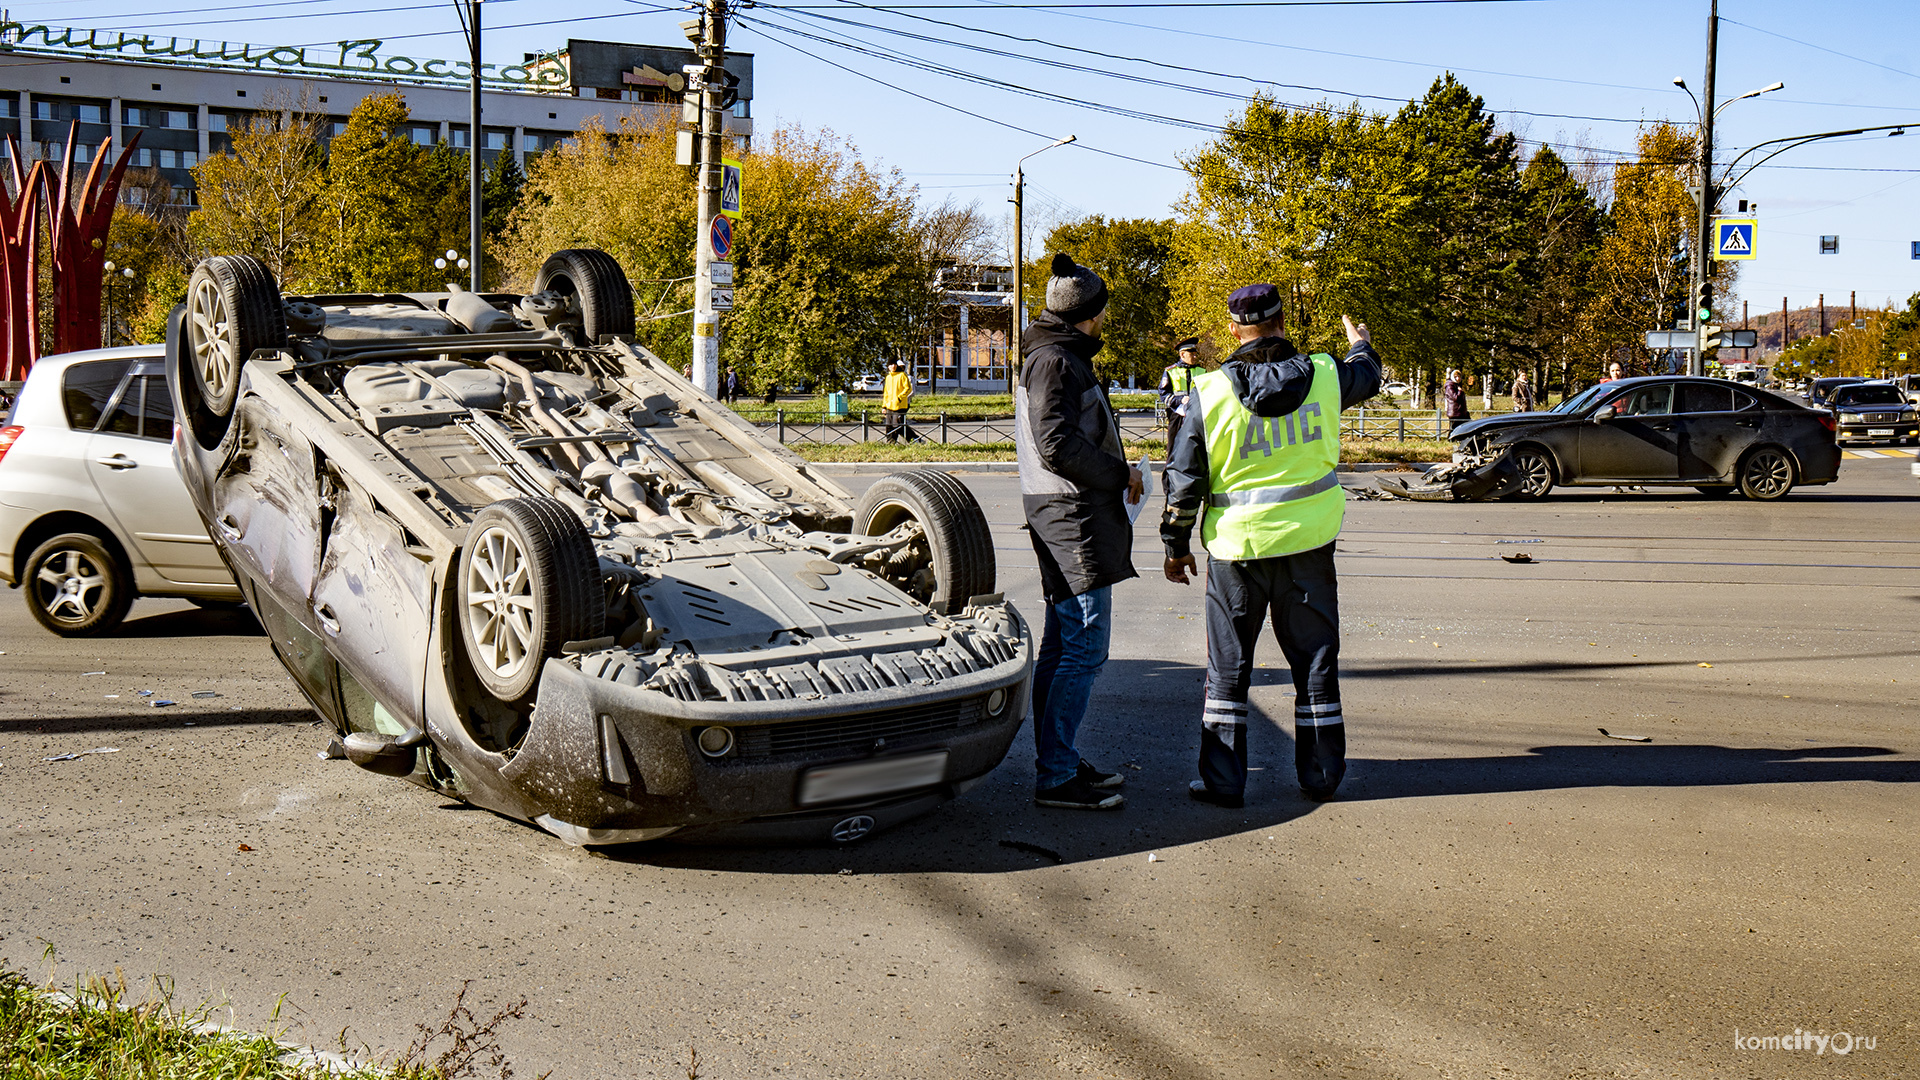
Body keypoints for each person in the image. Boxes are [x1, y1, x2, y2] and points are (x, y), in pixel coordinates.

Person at [1161, 283, 1381, 807]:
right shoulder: (1327, 375)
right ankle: (1322, 775)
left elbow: (1184, 477)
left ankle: (1223, 782)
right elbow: (1368, 375)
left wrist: (1175, 544)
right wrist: (1362, 343)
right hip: (1308, 547)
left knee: (1228, 670)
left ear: (1235, 331)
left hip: (1237, 553)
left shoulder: (1208, 392)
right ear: (1283, 324)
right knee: (1315, 662)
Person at [1016, 252, 1144, 811]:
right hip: (1072, 516)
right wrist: (1121, 473)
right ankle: (1057, 776)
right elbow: (1057, 444)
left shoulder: (1053, 354)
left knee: (1063, 644)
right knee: (1085, 647)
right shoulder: (1057, 362)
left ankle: (1058, 761)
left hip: (1062, 511)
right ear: (1091, 314)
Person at [1157, 337, 1203, 450]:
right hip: (1176, 413)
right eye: (1192, 354)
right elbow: (1163, 393)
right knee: (1173, 446)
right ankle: (1170, 467)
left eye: (1195, 354)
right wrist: (1179, 400)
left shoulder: (1202, 371)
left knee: (1196, 446)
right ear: (1182, 355)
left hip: (1195, 414)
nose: (1195, 357)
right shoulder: (1170, 371)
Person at [881, 360, 915, 443]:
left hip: (900, 405)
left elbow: (908, 388)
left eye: (894, 364)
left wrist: (900, 397)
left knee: (898, 425)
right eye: (891, 364)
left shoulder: (902, 375)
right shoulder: (888, 377)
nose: (893, 366)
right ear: (888, 367)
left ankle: (914, 439)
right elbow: (886, 393)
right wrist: (884, 406)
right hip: (889, 405)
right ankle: (890, 442)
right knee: (889, 425)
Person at [1442, 368, 1470, 434]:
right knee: (1454, 429)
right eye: (1456, 377)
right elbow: (1455, 397)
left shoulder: (1457, 385)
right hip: (1455, 412)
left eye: (1459, 376)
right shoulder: (1449, 385)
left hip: (1461, 412)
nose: (1458, 378)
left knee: (1466, 426)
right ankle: (1450, 440)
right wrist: (1460, 391)